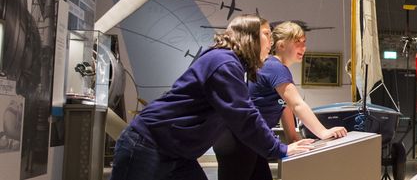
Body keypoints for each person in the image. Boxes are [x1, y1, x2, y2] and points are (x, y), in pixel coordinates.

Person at [109, 14, 316, 180]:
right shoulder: (223, 63)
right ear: (248, 36)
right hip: (150, 143)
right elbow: (244, 115)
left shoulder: (235, 67)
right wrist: (280, 149)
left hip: (178, 152)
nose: (271, 41)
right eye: (266, 34)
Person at [214, 21, 347, 180]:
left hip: (250, 140)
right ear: (282, 45)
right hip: (239, 141)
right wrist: (323, 132)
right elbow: (297, 104)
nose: (303, 48)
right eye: (298, 42)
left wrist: (292, 136)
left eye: (304, 43)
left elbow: (285, 106)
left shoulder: (274, 67)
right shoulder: (275, 67)